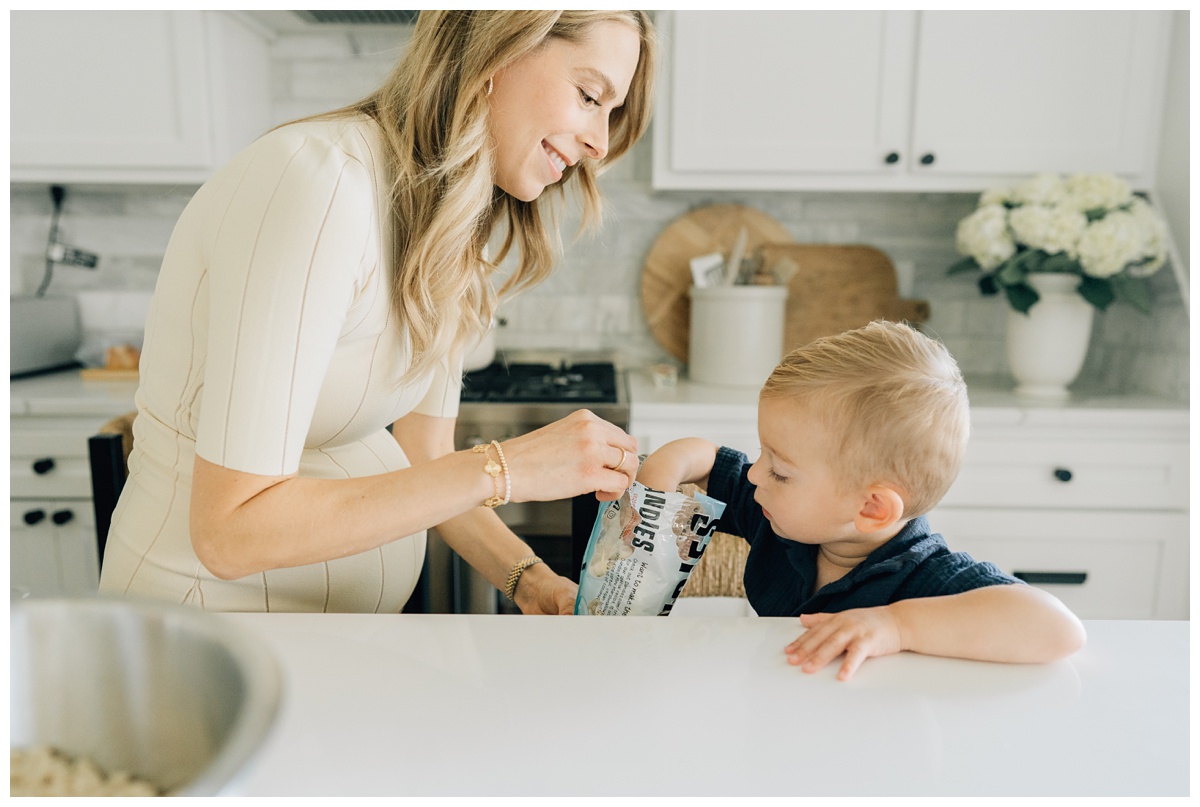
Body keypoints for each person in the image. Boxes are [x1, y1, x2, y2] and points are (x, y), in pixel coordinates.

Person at [98, 11, 658, 614]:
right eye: (589, 95)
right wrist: (507, 467)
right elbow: (229, 533)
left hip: (340, 643)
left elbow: (427, 458)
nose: (601, 141)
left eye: (611, 113)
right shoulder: (316, 182)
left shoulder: (455, 219)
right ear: (500, 49)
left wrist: (530, 581)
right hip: (210, 641)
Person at [636, 320, 1086, 680]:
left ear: (871, 509)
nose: (754, 475)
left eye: (780, 468)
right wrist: (661, 474)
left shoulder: (920, 575)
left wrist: (898, 626)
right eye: (763, 454)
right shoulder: (783, 514)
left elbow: (1058, 629)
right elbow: (705, 458)